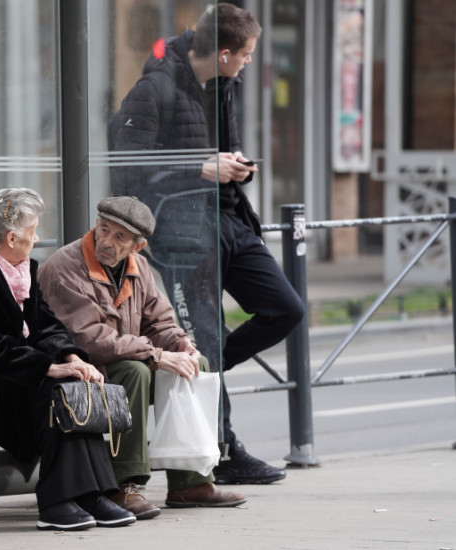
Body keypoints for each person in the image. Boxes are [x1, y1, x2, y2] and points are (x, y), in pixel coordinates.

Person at [107, 2, 303, 484]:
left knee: (285, 308)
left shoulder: (223, 86)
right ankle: (222, 450)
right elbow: (126, 164)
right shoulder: (155, 88)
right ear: (222, 53)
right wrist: (199, 166)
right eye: (246, 54)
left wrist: (233, 166)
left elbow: (215, 153)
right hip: (179, 234)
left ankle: (197, 372)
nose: (249, 62)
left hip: (229, 220)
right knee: (202, 338)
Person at [0, 188, 135, 531]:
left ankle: (91, 493)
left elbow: (47, 324)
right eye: (33, 231)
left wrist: (70, 356)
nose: (37, 239)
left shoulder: (21, 267)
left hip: (13, 364)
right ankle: (56, 502)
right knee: (53, 388)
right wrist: (48, 367)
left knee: (74, 381)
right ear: (11, 237)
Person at [40, 196, 247, 517]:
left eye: (120, 237)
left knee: (196, 364)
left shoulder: (140, 267)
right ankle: (125, 483)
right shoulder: (65, 265)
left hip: (120, 363)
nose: (106, 241)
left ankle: (190, 481)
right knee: (135, 370)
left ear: (138, 245)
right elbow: (89, 339)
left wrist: (181, 344)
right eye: (104, 229)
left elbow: (160, 321)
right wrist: (156, 354)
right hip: (80, 372)